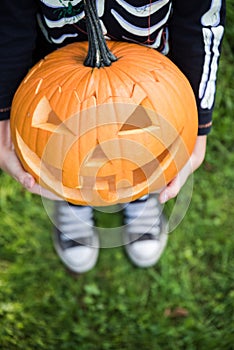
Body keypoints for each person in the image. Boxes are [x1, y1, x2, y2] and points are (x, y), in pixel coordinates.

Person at [0, 0, 226, 273]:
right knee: (65, 150)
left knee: (142, 148)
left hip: (149, 74)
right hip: (54, 71)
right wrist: (3, 112)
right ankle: (73, 200)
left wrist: (200, 123)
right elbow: (9, 24)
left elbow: (200, 25)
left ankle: (141, 196)